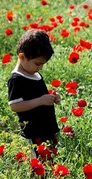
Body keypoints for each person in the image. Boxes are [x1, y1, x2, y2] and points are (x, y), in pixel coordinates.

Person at [8, 29, 60, 160]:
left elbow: (36, 95)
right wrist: (41, 100)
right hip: (34, 130)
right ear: (22, 57)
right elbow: (15, 106)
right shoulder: (16, 79)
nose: (40, 68)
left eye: (42, 64)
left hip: (47, 126)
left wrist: (51, 98)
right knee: (40, 161)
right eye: (37, 64)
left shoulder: (33, 73)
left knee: (52, 157)